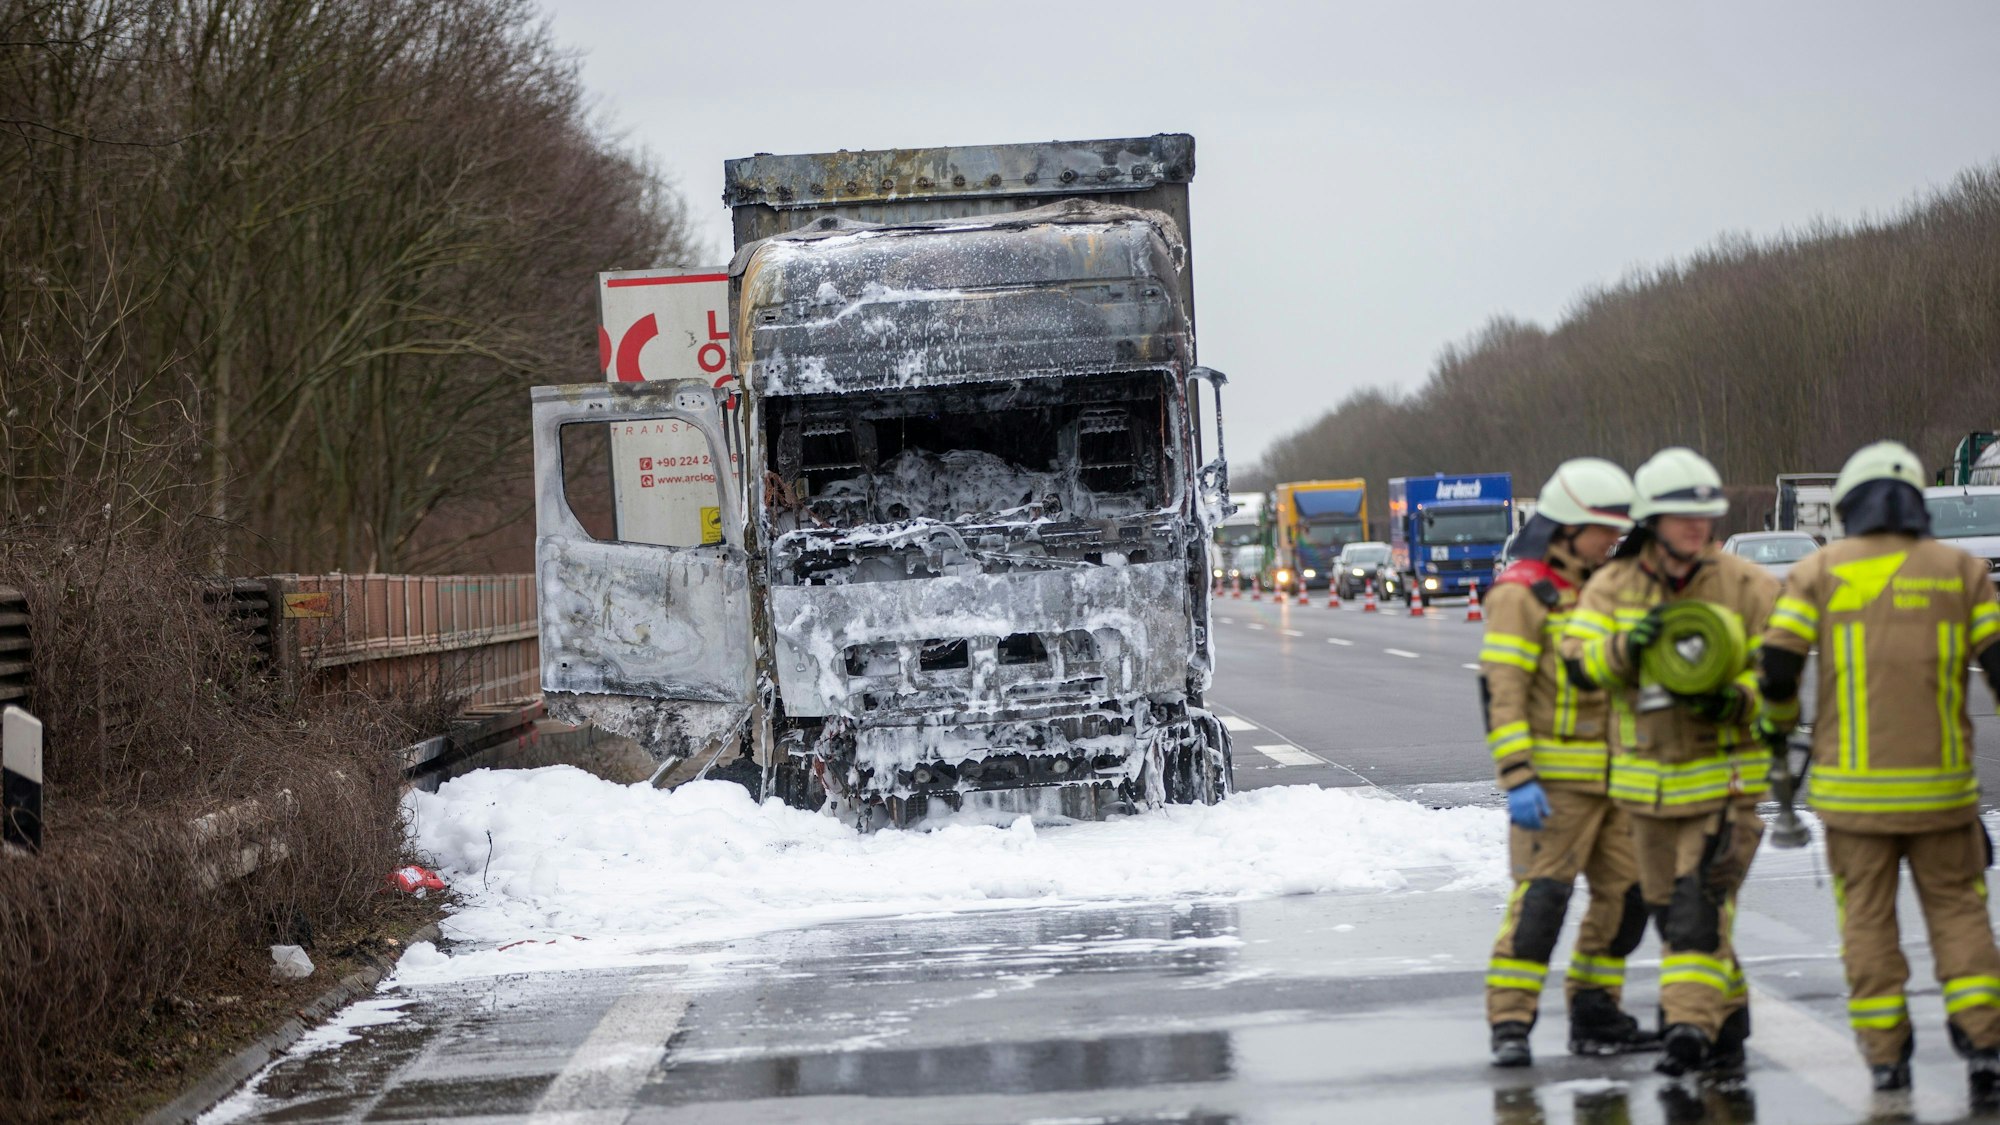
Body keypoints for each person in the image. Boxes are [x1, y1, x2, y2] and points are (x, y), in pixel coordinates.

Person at [1758, 440, 2000, 1097]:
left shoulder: (1819, 570)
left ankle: (1887, 1057)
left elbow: (1777, 668)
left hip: (1852, 799)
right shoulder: (1961, 569)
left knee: (1865, 921)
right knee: (1959, 914)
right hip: (1944, 792)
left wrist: (1779, 736)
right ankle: (1984, 1045)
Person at [1560, 447, 1779, 1076]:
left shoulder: (1746, 585)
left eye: (1706, 515)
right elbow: (1577, 665)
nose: (1697, 527)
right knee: (1672, 913)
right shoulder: (1613, 586)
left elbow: (1784, 679)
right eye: (1683, 516)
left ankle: (1684, 1030)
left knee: (1696, 913)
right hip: (1646, 796)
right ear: (1653, 520)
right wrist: (1627, 647)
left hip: (1724, 790)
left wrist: (1734, 699)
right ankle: (1729, 1030)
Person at [1482, 458, 1657, 1066]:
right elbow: (1501, 692)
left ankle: (1596, 1013)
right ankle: (1510, 1025)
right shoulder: (1522, 592)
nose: (1612, 540)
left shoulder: (1605, 589)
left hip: (1620, 782)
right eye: (1602, 530)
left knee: (1628, 900)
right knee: (1540, 906)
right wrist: (1518, 776)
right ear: (1566, 527)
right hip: (1554, 787)